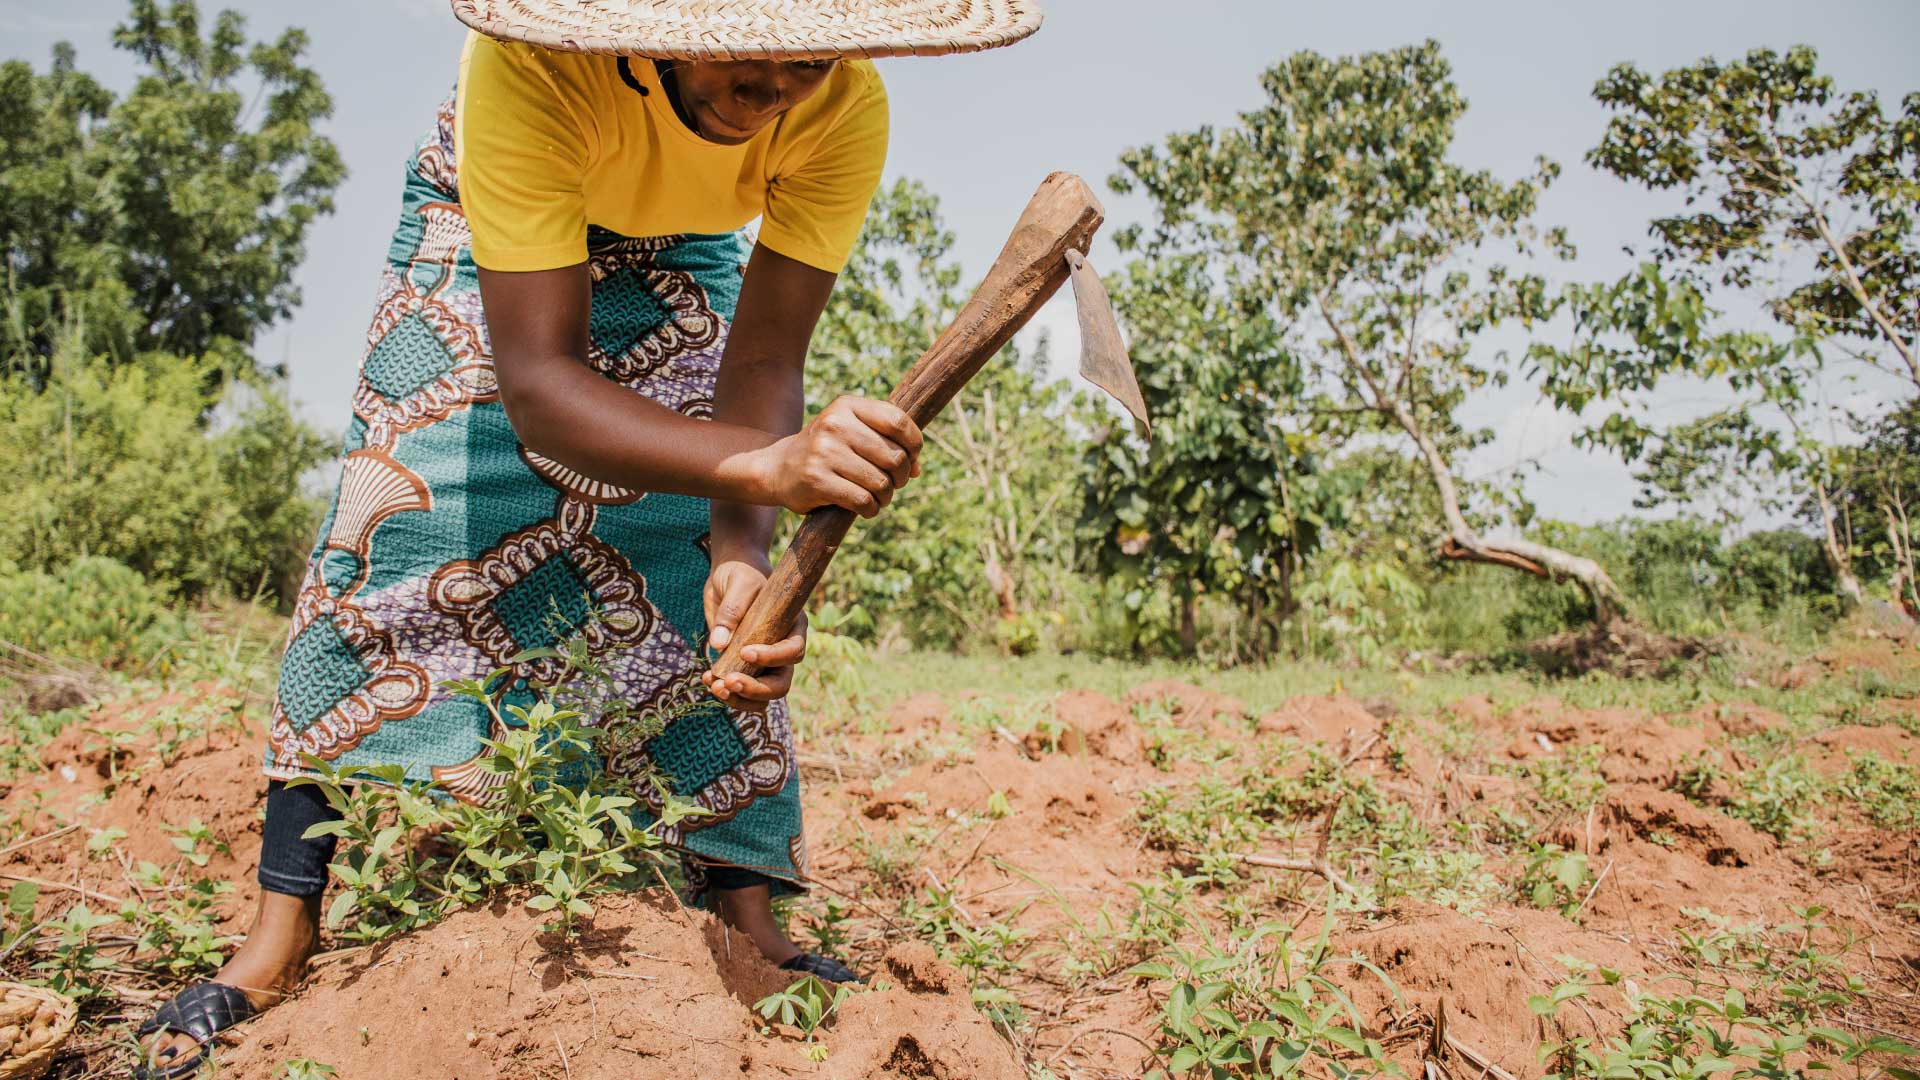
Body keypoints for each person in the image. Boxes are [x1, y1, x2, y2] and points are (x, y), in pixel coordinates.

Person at [133, 1, 1043, 1075]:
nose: (770, 96)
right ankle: (278, 935)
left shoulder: (840, 111)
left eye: (804, 61)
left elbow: (758, 368)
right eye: (740, 65)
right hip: (481, 233)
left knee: (687, 557)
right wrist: (766, 464)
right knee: (397, 522)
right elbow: (542, 387)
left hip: (680, 252)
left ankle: (748, 921)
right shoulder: (531, 72)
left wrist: (743, 544)